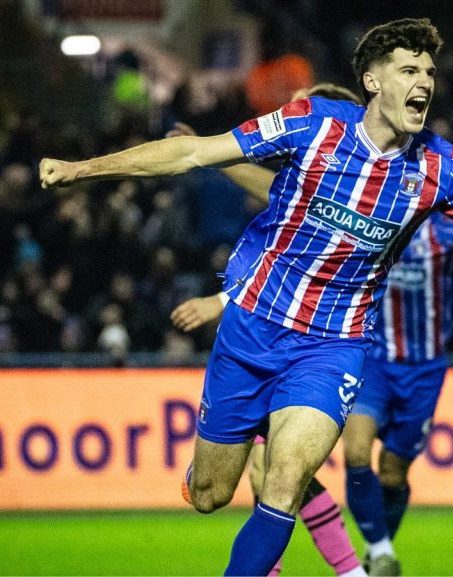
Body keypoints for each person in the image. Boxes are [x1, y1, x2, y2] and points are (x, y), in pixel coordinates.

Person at [40, 18, 453, 576]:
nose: (425, 84)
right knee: (211, 496)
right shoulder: (312, 124)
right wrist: (82, 168)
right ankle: (208, 472)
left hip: (333, 345)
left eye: (430, 73)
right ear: (372, 80)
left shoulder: (439, 166)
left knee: (283, 481)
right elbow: (195, 152)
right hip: (253, 325)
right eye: (410, 70)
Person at [172, 196, 453, 576]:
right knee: (338, 456)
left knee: (390, 471)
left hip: (425, 368)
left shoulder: (437, 229)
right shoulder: (343, 213)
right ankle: (373, 556)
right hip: (367, 358)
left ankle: (371, 550)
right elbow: (274, 223)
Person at [168, 83, 368, 577]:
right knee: (266, 482)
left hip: (324, 345)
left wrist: (212, 156)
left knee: (278, 476)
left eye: (303, 102)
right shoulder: (298, 194)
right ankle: (351, 571)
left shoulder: (353, 188)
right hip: (266, 338)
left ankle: (346, 572)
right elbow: (265, 266)